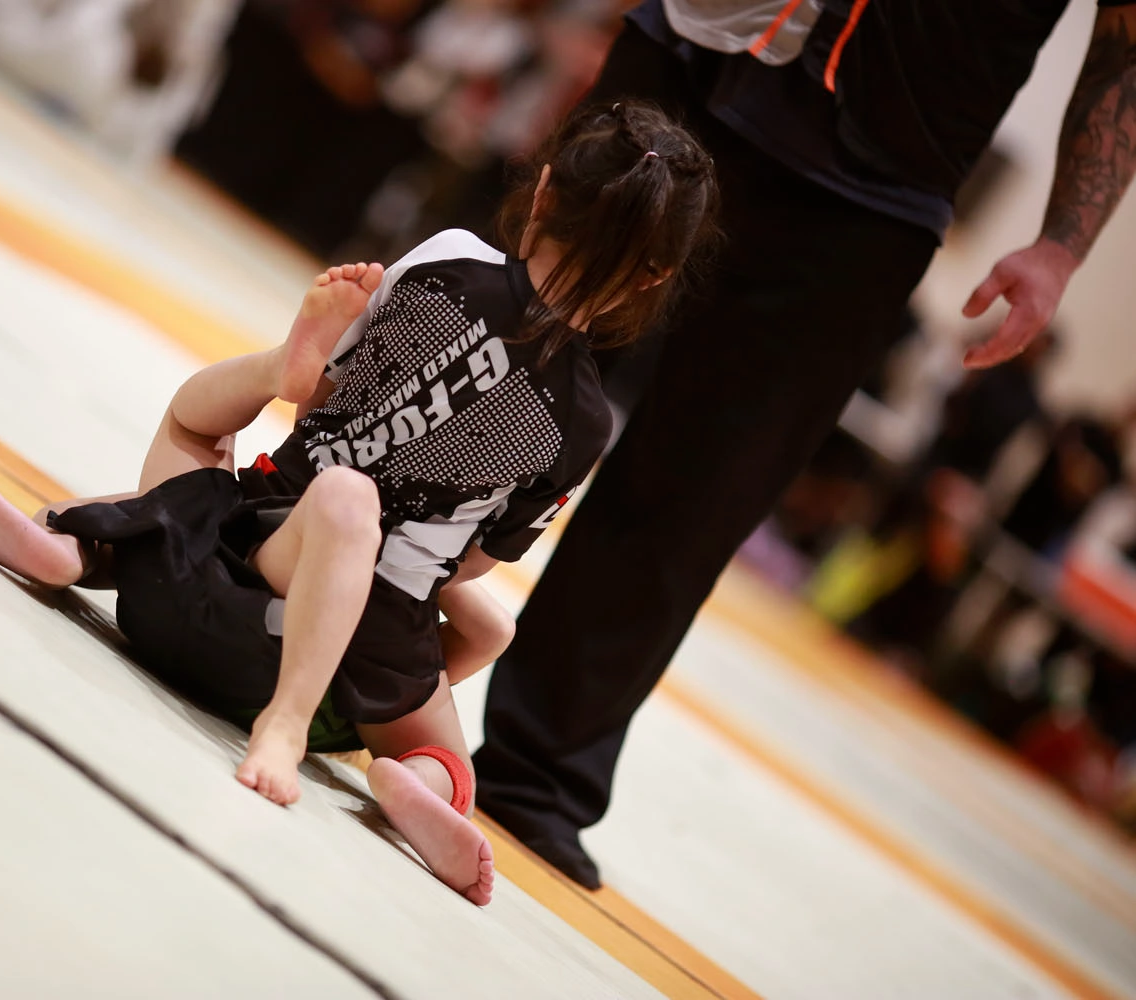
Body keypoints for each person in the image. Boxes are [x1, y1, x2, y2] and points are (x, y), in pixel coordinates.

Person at [0, 101, 720, 906]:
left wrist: (319, 401)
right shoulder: (584, 426)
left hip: (241, 540)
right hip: (374, 629)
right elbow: (473, 561)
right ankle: (389, 771)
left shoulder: (449, 260)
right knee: (454, 760)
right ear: (653, 276)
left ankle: (74, 541)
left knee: (206, 442)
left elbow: (320, 405)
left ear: (543, 191)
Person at [473, 0, 1136, 889]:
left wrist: (1062, 246)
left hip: (880, 179)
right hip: (690, 60)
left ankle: (536, 769)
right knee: (498, 356)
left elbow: (1126, 49)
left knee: (699, 492)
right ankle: (347, 610)